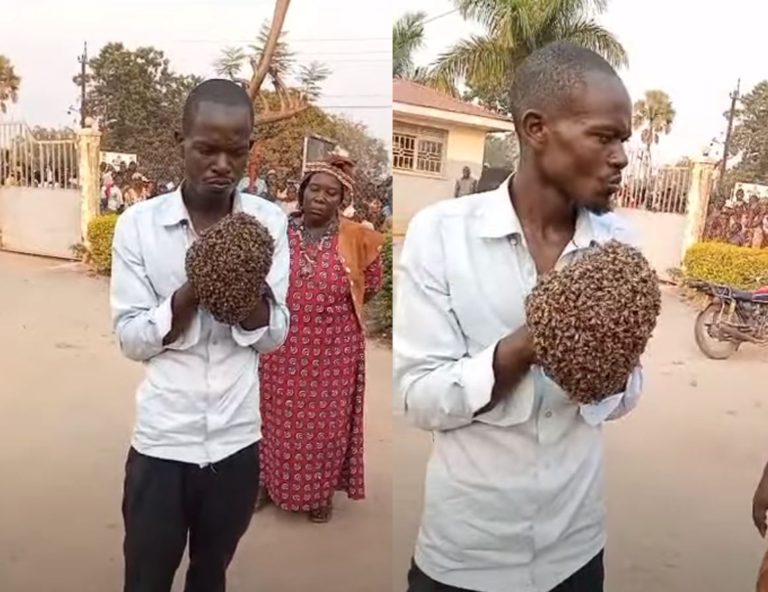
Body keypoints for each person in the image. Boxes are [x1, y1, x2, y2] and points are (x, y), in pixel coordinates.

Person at [394, 42, 642, 592]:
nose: (622, 156)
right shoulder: (441, 235)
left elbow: (625, 396)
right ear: (536, 129)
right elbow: (419, 397)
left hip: (576, 548)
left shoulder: (620, 243)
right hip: (466, 554)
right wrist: (531, 343)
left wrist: (604, 356)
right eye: (604, 137)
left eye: (623, 139)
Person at [110, 78, 290, 592]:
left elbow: (273, 336)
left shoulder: (268, 223)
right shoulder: (138, 227)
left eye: (235, 152)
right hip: (163, 441)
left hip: (236, 442)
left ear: (250, 149)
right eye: (206, 149)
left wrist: (241, 292)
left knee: (210, 576)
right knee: (146, 577)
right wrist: (192, 292)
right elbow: (130, 338)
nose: (221, 165)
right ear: (180, 143)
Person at [256, 156, 384, 523]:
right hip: (282, 344)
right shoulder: (278, 231)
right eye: (314, 189)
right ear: (301, 191)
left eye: (332, 193)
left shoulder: (358, 237)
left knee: (325, 426)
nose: (320, 198)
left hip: (335, 350)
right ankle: (267, 482)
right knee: (273, 418)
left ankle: (319, 494)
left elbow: (370, 285)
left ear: (341, 201)